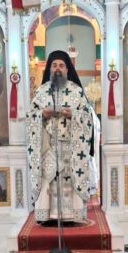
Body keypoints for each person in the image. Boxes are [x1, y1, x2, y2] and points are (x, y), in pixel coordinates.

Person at [26, 50, 93, 223]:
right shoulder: (41, 92)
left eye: (61, 65)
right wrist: (42, 114)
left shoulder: (77, 91)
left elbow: (87, 118)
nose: (58, 69)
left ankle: (72, 215)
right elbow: (30, 117)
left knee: (71, 180)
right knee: (48, 179)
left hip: (72, 147)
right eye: (54, 65)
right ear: (49, 68)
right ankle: (48, 215)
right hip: (48, 146)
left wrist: (73, 115)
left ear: (67, 69)